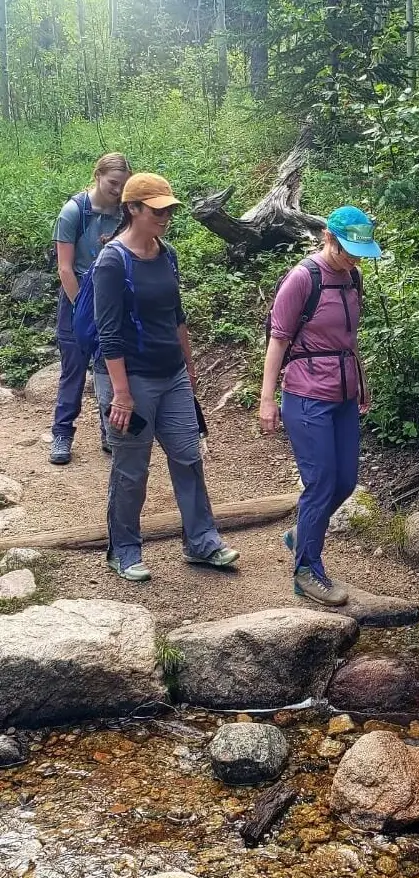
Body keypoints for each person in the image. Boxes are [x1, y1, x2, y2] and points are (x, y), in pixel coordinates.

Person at [93, 173, 240, 581]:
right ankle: (123, 549)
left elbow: (177, 318)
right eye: (157, 210)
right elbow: (108, 333)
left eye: (169, 209)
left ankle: (202, 541)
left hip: (172, 376)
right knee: (131, 468)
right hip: (132, 381)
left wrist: (189, 369)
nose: (166, 216)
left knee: (188, 458)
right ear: (132, 209)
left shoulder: (167, 253)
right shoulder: (112, 261)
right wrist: (121, 395)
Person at [259, 206, 380, 606]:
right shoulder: (303, 279)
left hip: (344, 393)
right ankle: (307, 570)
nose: (354, 259)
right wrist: (267, 400)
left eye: (360, 252)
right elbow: (278, 339)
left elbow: (349, 337)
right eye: (348, 250)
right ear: (329, 238)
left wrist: (361, 380)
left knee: (345, 481)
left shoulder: (353, 278)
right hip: (307, 394)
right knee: (321, 482)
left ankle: (300, 535)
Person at [50, 153, 132, 464]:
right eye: (113, 183)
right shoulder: (74, 211)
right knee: (74, 368)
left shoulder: (124, 212)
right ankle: (62, 434)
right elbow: (65, 269)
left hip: (112, 295)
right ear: (97, 176)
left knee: (109, 367)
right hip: (77, 295)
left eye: (123, 185)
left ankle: (110, 432)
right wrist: (86, 310)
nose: (117, 189)